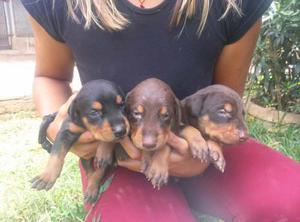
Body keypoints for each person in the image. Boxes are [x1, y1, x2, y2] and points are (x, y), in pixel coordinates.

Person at [22, 0, 300, 221]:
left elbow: (225, 96)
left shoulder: (233, 4)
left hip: (200, 144)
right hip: (123, 159)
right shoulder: (60, 4)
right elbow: (50, 76)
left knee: (293, 200)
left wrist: (207, 148)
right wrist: (52, 124)